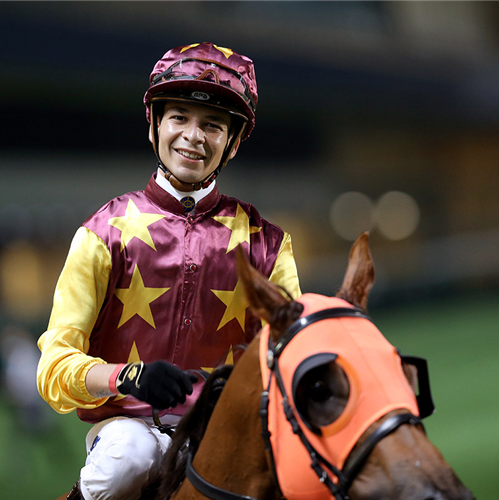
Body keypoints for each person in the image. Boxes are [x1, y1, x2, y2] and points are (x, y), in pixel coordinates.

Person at [36, 42, 301, 500]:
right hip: (124, 429)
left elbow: (293, 351)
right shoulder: (102, 234)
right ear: (155, 124)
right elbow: (53, 369)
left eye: (213, 125)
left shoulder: (268, 244)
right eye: (179, 117)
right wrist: (128, 377)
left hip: (223, 434)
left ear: (233, 143)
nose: (193, 137)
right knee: (129, 457)